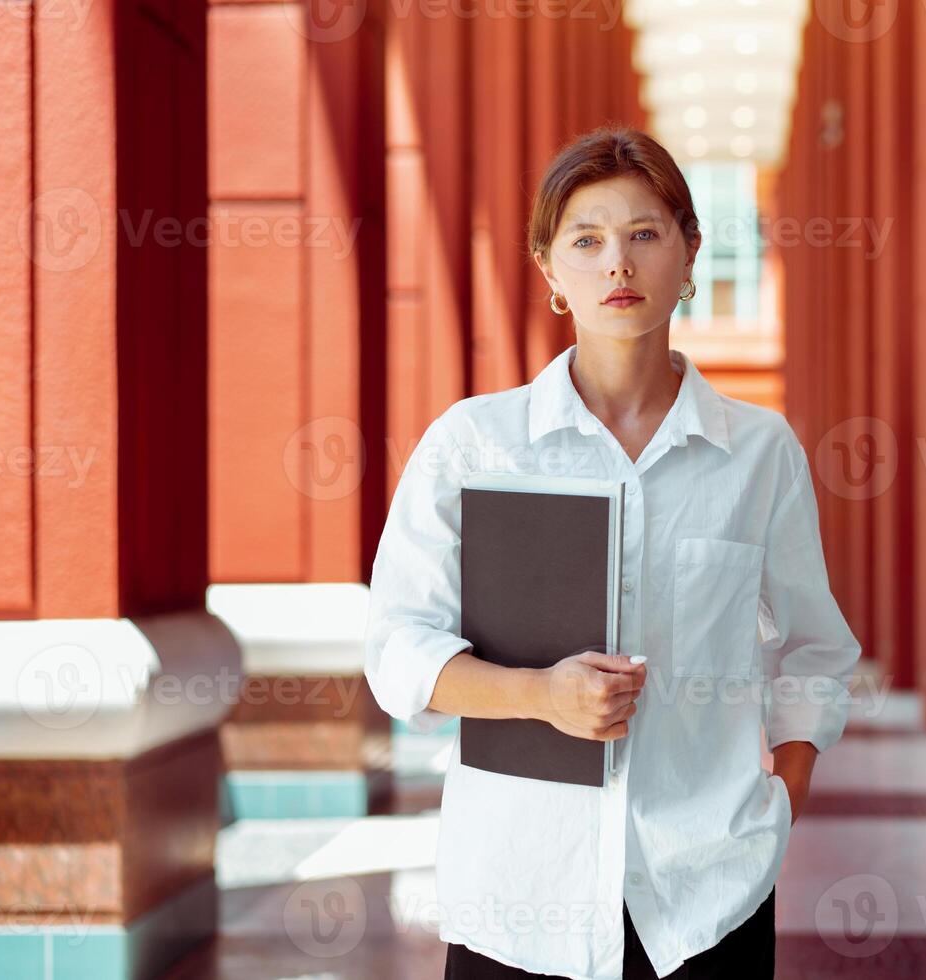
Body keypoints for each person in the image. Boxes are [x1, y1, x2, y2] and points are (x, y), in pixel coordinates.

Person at [364, 126, 861, 980]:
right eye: (586, 241)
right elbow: (396, 650)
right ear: (549, 268)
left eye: (644, 235)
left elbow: (817, 647)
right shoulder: (477, 445)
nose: (617, 266)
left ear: (689, 249)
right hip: (520, 898)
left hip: (706, 898)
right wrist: (537, 696)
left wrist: (784, 793)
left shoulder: (759, 451)